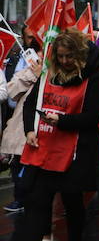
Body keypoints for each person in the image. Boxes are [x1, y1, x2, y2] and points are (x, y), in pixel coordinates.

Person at [21, 29, 99, 241]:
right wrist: (29, 130)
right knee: (37, 201)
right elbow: (31, 104)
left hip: (74, 156)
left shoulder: (93, 79)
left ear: (78, 54)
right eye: (60, 56)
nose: (65, 60)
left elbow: (94, 116)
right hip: (43, 151)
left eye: (69, 56)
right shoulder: (48, 75)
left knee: (72, 204)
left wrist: (63, 121)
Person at [1, 30, 39, 214]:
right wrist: (31, 73)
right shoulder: (22, 60)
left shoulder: (54, 65)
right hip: (20, 118)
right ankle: (20, 197)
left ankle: (27, 197)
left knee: (32, 164)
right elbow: (11, 92)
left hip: (41, 122)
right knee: (17, 162)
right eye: (28, 36)